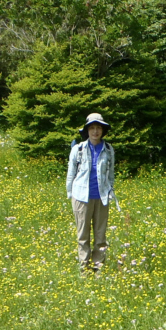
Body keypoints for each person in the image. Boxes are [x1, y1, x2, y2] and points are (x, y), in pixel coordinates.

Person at [66, 112, 116, 271]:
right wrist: (71, 194)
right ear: (87, 130)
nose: (95, 131)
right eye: (92, 128)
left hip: (101, 198)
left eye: (98, 128)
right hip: (81, 198)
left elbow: (111, 174)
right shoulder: (78, 149)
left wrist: (110, 192)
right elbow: (71, 174)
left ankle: (98, 268)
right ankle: (84, 268)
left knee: (100, 236)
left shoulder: (108, 149)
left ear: (103, 130)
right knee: (83, 236)